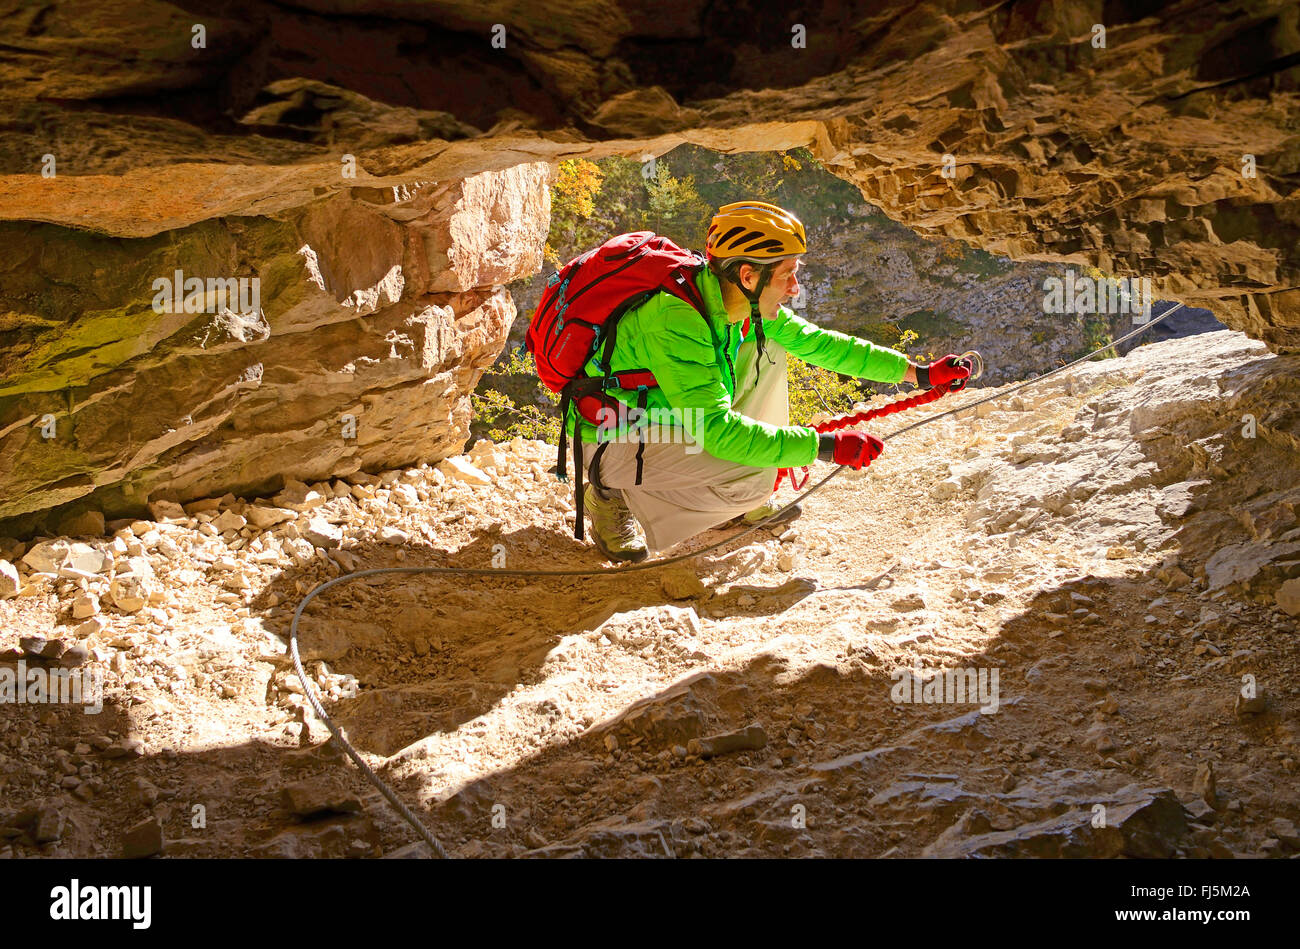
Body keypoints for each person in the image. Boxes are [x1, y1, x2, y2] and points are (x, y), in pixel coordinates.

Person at [570, 200, 971, 562]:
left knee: (772, 346)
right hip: (613, 434)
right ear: (748, 275)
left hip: (672, 415)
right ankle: (610, 496)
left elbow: (823, 345)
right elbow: (716, 431)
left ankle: (720, 496)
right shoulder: (676, 321)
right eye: (788, 275)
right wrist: (823, 447)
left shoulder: (731, 300)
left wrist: (918, 373)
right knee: (756, 479)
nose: (796, 288)